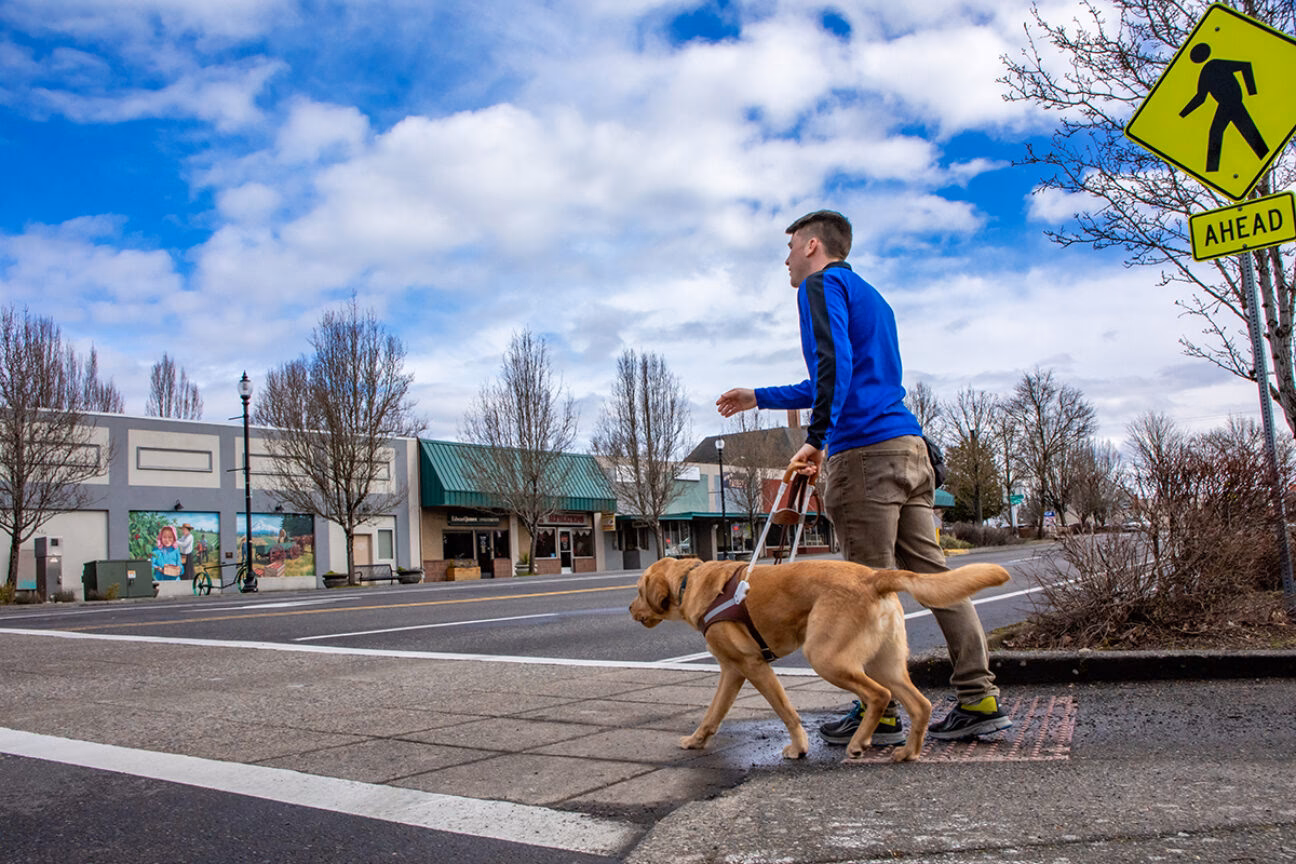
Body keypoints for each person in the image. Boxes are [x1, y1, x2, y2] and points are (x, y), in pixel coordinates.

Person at [716, 209, 1012, 745]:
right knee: (935, 579)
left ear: (811, 246)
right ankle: (980, 698)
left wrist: (816, 438)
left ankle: (882, 713)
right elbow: (844, 372)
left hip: (866, 457)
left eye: (788, 249)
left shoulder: (819, 287)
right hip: (908, 449)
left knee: (862, 589)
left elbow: (835, 369)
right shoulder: (873, 297)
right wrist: (758, 397)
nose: (784, 261)